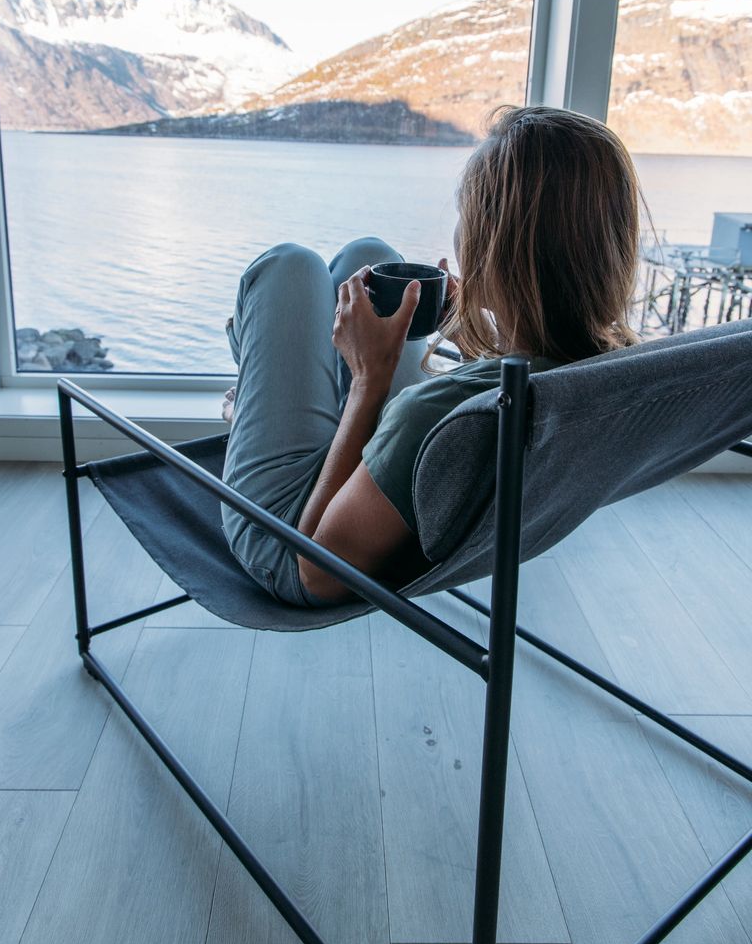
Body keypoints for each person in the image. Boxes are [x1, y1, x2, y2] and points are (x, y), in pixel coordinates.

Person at [220, 105, 643, 607]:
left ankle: (246, 407)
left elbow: (317, 571)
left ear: (493, 246)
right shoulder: (612, 367)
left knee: (287, 267)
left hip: (291, 540)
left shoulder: (432, 413)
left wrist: (367, 382)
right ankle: (267, 403)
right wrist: (482, 331)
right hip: (386, 492)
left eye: (467, 218)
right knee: (370, 255)